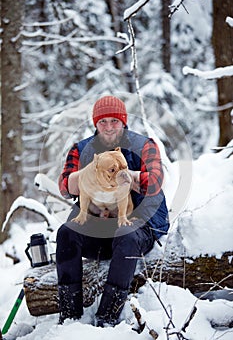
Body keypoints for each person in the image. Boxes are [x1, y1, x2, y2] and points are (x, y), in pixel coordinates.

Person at [56, 95, 169, 326]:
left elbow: (156, 181)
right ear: (95, 124)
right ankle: (69, 316)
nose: (108, 128)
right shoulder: (81, 149)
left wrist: (126, 176)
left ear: (124, 122)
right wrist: (87, 175)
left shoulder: (143, 145)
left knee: (126, 235)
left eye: (114, 121)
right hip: (98, 226)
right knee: (66, 233)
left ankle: (107, 317)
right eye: (102, 122)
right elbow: (64, 188)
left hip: (138, 227)